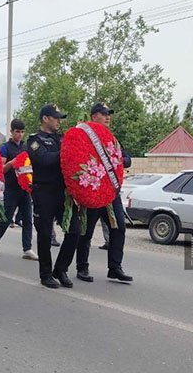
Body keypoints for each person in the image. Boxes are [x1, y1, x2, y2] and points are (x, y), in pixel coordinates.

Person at [75, 103, 133, 283]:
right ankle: (82, 267)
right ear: (94, 117)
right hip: (93, 191)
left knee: (119, 228)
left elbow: (127, 159)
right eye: (104, 114)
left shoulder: (111, 139)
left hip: (111, 192)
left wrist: (116, 160)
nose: (108, 117)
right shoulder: (85, 137)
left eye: (109, 114)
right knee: (86, 231)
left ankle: (115, 267)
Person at [27, 104, 80, 289]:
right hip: (44, 192)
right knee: (44, 234)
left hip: (63, 192)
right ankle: (46, 274)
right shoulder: (35, 140)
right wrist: (66, 152)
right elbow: (43, 160)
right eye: (56, 117)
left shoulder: (61, 139)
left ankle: (61, 268)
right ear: (45, 119)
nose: (59, 121)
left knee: (75, 230)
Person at [0, 119, 37, 261]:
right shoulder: (5, 147)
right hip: (11, 189)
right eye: (17, 132)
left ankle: (27, 248)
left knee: (28, 219)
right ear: (11, 132)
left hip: (25, 188)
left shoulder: (26, 146)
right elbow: (0, 169)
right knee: (7, 218)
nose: (20, 135)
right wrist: (11, 163)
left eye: (22, 132)